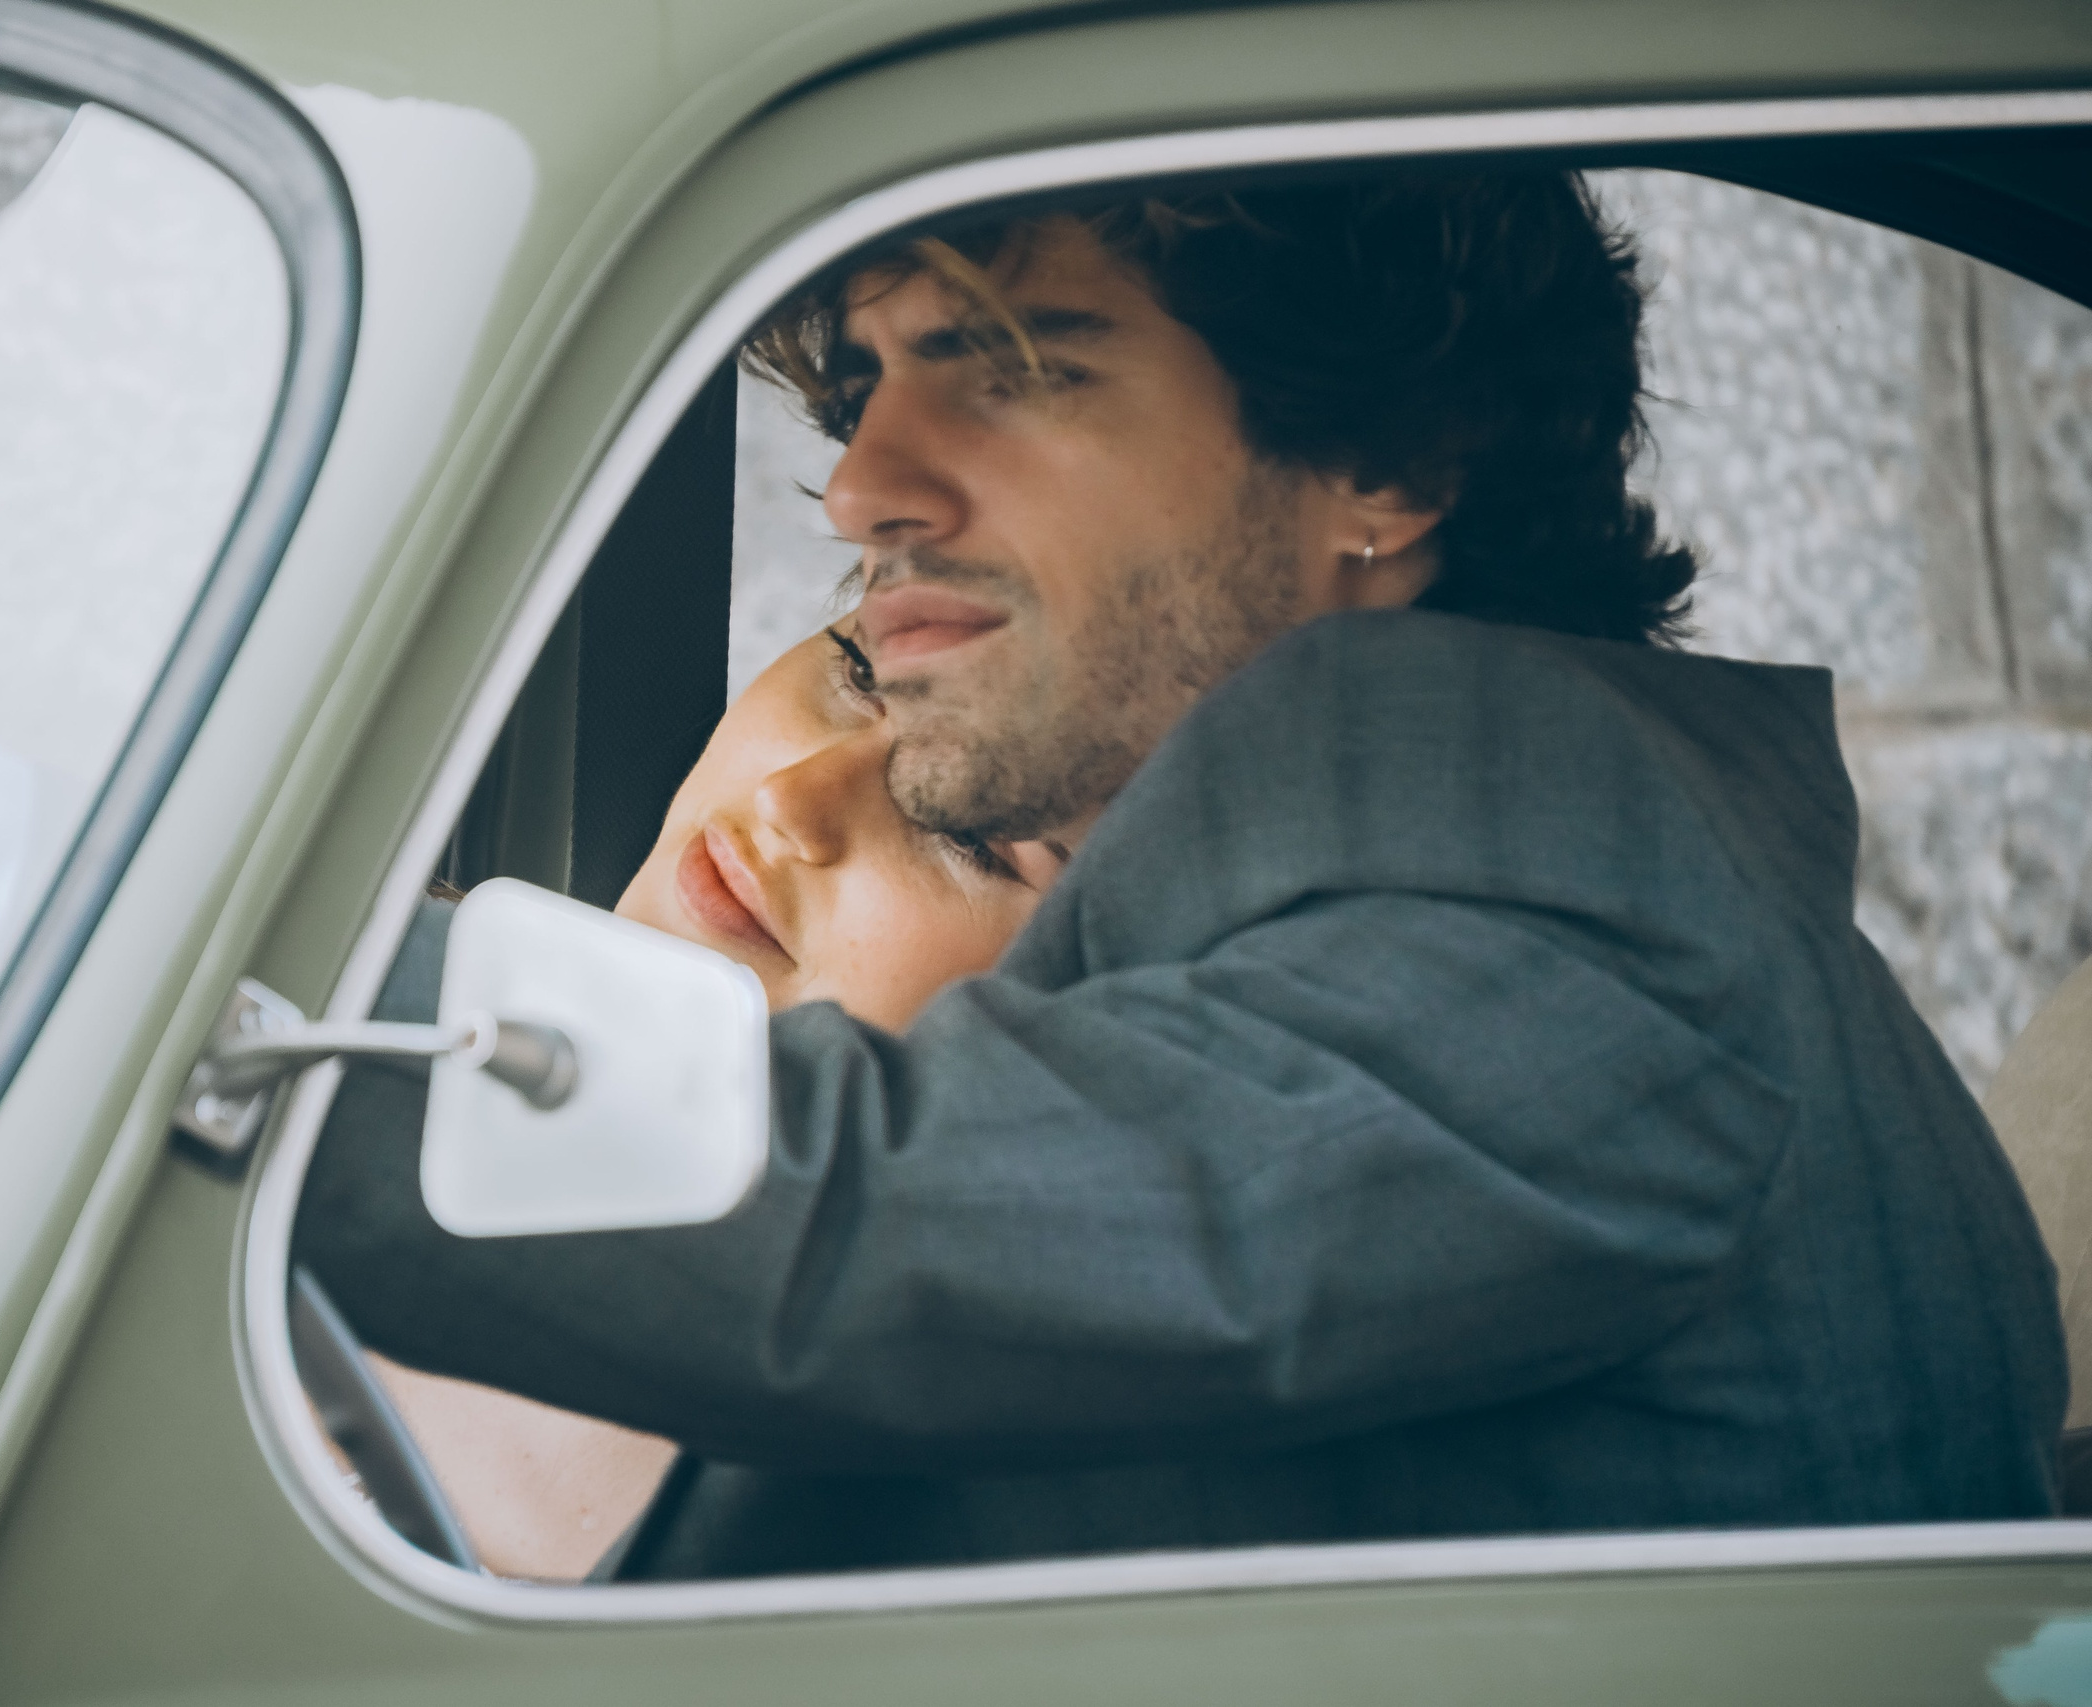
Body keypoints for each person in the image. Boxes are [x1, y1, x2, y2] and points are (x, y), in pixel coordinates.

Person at [297, 170, 2066, 1581]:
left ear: (1390, 461)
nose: (859, 484)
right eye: (865, 378)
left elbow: (860, 1230)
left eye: (1012, 363)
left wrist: (210, 1022)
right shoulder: (1429, 865)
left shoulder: (1589, 903)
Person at [356, 623, 1062, 1577]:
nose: (791, 796)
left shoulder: (922, 1534)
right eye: (859, 671)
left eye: (967, 834)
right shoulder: (318, 993)